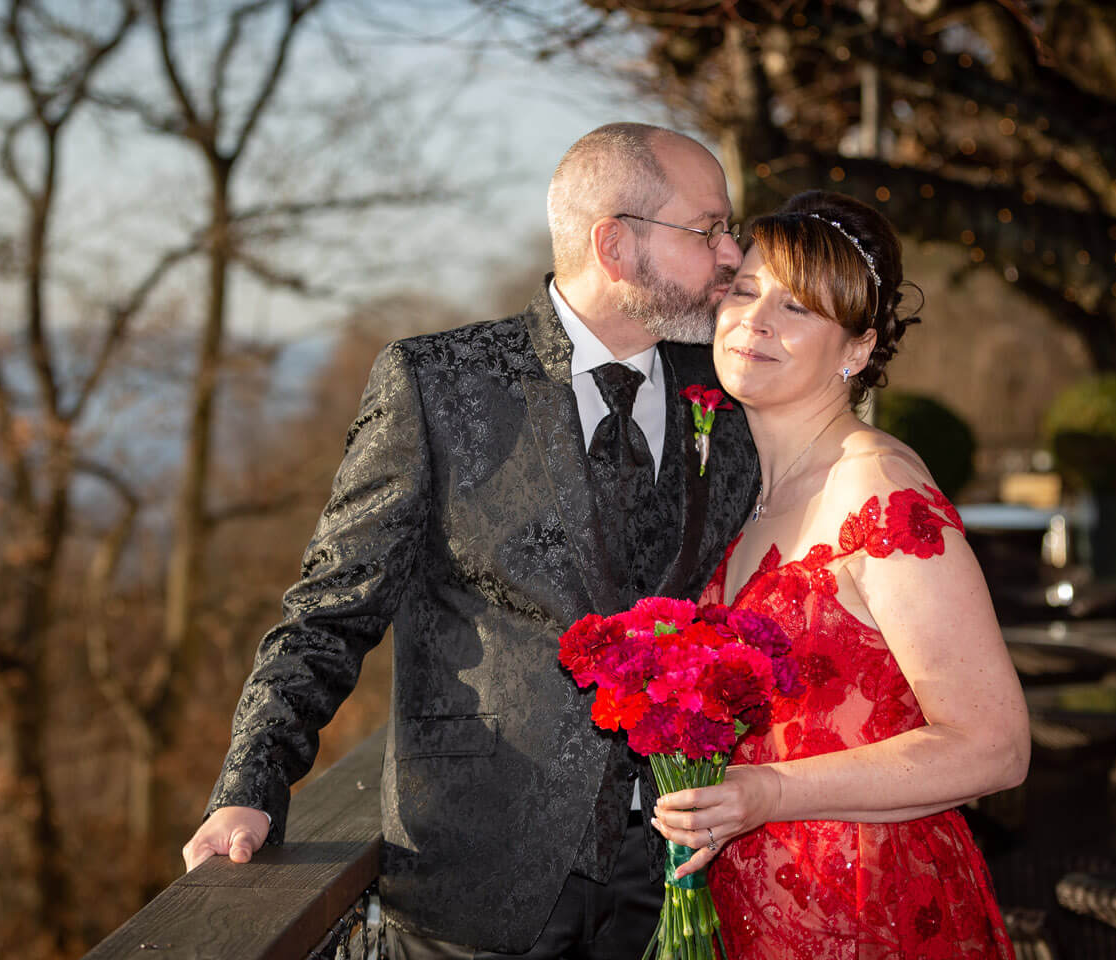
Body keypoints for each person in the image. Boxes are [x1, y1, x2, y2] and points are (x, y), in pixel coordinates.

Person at [181, 122, 761, 959]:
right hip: (483, 881)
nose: (732, 254)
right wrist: (251, 785)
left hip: (679, 877)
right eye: (708, 230)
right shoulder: (442, 385)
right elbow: (331, 610)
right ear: (617, 245)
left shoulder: (729, 395)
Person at [650, 191, 1031, 959]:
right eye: (746, 291)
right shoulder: (742, 494)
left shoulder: (879, 489)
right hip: (751, 903)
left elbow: (995, 746)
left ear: (856, 349)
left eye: (796, 309)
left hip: (868, 906)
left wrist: (774, 793)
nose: (754, 321)